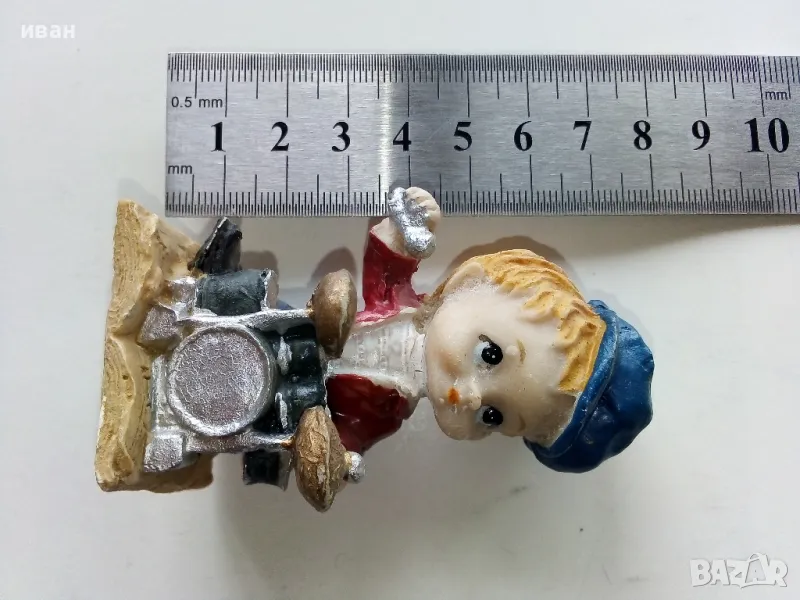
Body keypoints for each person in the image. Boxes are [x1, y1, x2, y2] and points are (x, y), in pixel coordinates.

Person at [326, 187, 654, 473]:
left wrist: (339, 456)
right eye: (489, 354)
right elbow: (385, 269)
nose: (471, 397)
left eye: (492, 416)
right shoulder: (396, 305)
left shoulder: (386, 409)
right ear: (469, 282)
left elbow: (354, 429)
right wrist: (405, 232)